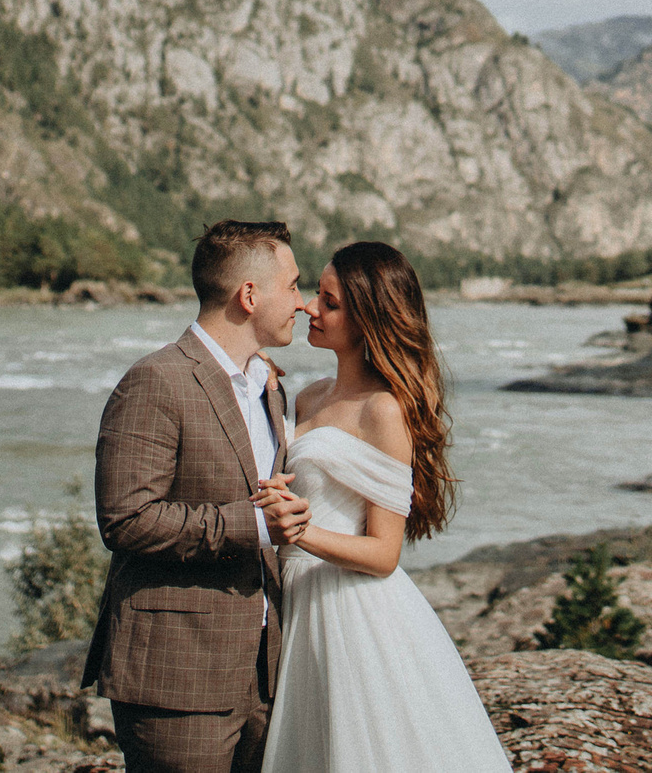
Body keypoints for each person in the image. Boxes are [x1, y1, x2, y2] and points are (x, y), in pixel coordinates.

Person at [256, 241, 512, 773]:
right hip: (296, 603)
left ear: (367, 317)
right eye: (315, 296)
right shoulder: (306, 397)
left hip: (350, 610)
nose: (309, 308)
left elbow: (384, 553)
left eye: (328, 302)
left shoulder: (383, 411)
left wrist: (297, 534)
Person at [86, 219, 310, 773]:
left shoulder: (271, 387)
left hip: (264, 672)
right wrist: (256, 525)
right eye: (294, 285)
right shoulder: (157, 379)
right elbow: (126, 519)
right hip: (176, 677)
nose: (302, 304)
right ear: (249, 295)